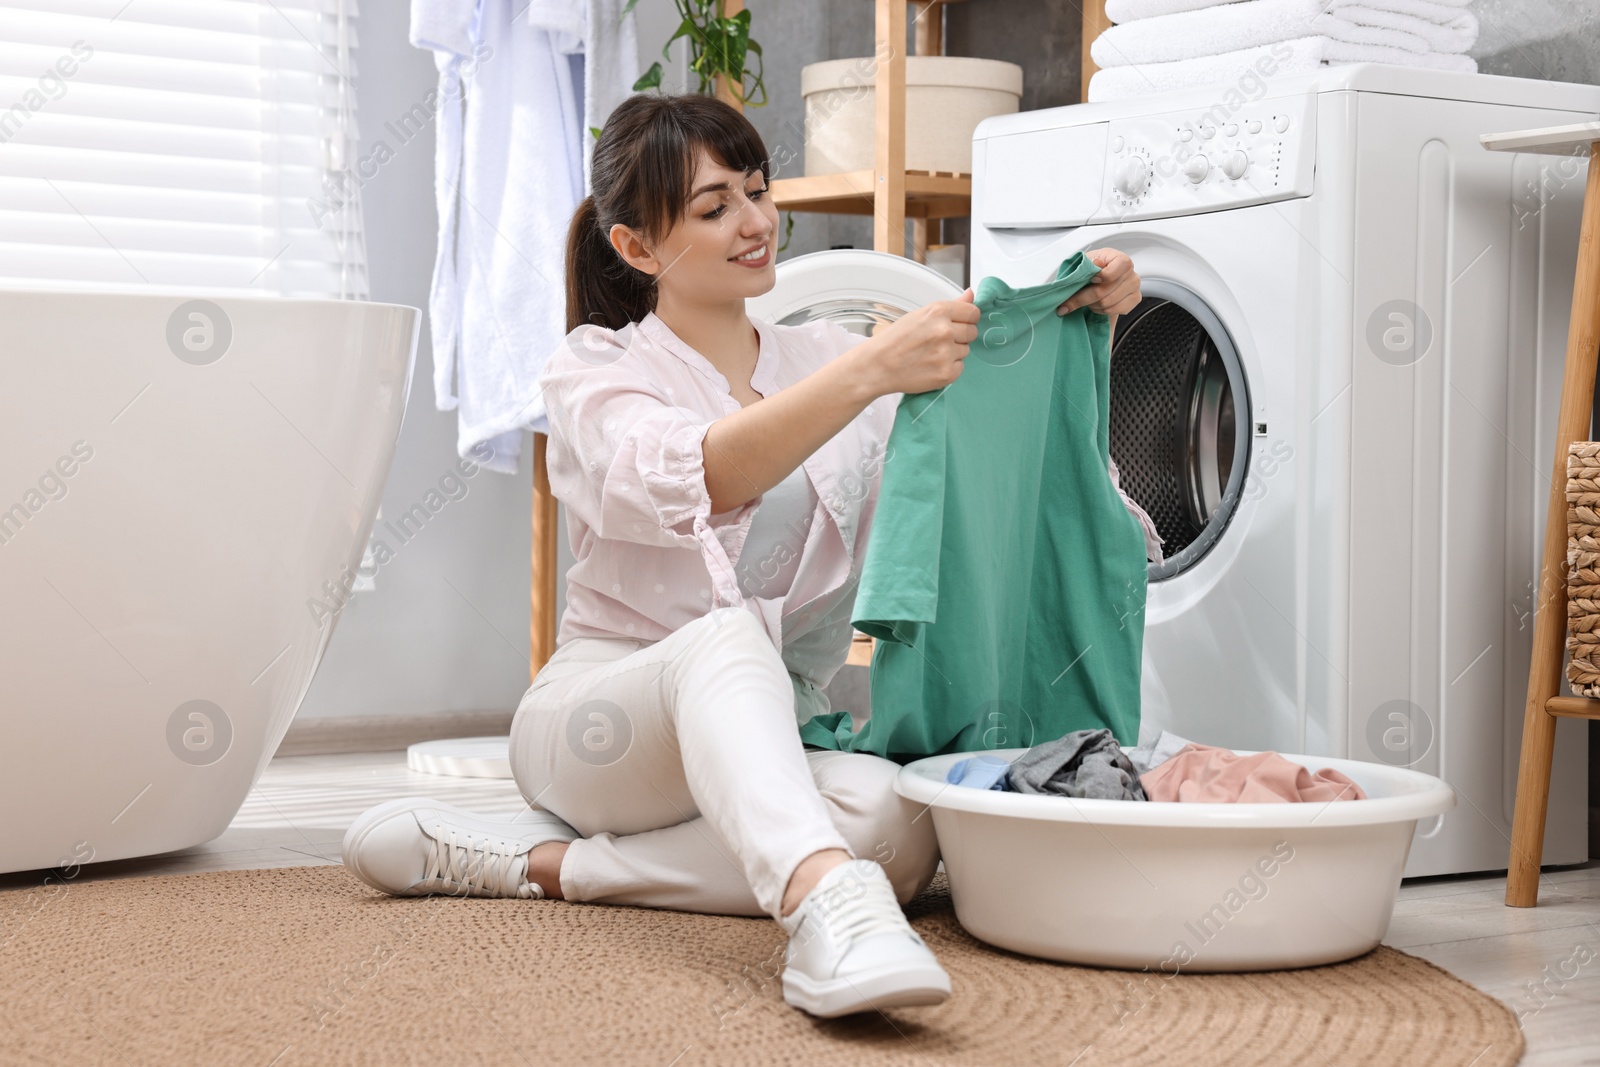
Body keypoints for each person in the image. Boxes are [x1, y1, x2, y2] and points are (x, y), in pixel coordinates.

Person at [341, 91, 1144, 1019]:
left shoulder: (824, 354)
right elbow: (705, 471)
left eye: (758, 192)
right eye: (715, 207)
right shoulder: (597, 368)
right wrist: (875, 369)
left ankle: (539, 866)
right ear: (638, 248)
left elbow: (985, 455)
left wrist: (1080, 312)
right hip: (603, 724)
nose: (756, 223)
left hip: (777, 731)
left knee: (902, 815)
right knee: (729, 642)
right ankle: (821, 910)